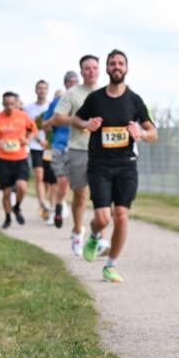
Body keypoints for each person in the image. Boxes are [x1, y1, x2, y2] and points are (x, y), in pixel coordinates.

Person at [72, 49, 157, 283]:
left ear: (126, 68)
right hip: (99, 165)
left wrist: (141, 132)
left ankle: (111, 265)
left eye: (120, 63)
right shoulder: (96, 98)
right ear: (107, 69)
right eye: (112, 63)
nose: (117, 66)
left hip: (126, 166)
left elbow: (153, 132)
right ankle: (94, 235)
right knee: (103, 219)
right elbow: (75, 120)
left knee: (121, 216)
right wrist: (87, 123)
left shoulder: (134, 100)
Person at [52, 55, 105, 257]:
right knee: (81, 195)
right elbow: (57, 118)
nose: (91, 71)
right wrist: (82, 122)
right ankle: (77, 231)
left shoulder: (106, 93)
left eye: (94, 67)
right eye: (87, 68)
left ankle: (99, 237)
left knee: (102, 196)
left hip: (103, 150)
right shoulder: (73, 94)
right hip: (79, 149)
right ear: (81, 71)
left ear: (99, 70)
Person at [0, 91, 39, 229]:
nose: (9, 107)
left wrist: (27, 140)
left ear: (16, 104)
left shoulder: (23, 117)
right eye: (7, 104)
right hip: (3, 159)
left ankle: (17, 207)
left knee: (22, 186)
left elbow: (34, 130)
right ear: (3, 104)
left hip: (20, 157)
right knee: (7, 192)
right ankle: (8, 217)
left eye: (12, 104)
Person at [44, 71, 78, 227]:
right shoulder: (57, 102)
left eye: (74, 82)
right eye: (69, 82)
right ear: (65, 84)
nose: (72, 84)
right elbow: (45, 126)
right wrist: (58, 119)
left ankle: (64, 205)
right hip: (60, 146)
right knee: (61, 182)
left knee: (78, 186)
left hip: (80, 147)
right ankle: (57, 207)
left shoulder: (86, 100)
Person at [24, 80, 52, 219]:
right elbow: (28, 129)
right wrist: (38, 140)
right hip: (35, 146)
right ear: (36, 90)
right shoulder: (29, 109)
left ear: (47, 91)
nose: (41, 91)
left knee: (48, 179)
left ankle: (45, 201)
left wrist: (48, 140)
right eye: (39, 88)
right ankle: (42, 203)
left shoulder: (52, 106)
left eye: (44, 88)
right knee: (39, 176)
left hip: (49, 147)